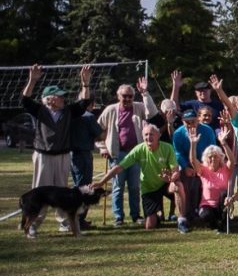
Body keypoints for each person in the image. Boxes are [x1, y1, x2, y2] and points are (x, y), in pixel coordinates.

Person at [20, 64, 92, 235]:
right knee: (40, 191)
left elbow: (84, 103)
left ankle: (65, 222)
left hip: (63, 156)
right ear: (49, 99)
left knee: (63, 192)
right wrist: (32, 80)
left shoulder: (67, 111)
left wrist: (85, 84)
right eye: (59, 97)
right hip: (43, 155)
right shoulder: (40, 111)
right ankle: (32, 226)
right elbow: (25, 100)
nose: (63, 99)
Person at [92, 124, 179, 230]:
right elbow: (119, 167)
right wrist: (101, 182)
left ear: (158, 135)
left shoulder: (167, 147)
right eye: (146, 135)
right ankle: (157, 214)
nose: (148, 137)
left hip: (165, 184)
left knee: (179, 186)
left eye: (151, 134)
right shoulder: (139, 149)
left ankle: (184, 218)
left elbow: (176, 171)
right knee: (150, 226)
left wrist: (171, 179)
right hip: (149, 188)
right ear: (143, 137)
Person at [97, 77, 158, 226]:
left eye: (130, 96)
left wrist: (145, 93)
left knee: (134, 186)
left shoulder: (138, 107)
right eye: (124, 96)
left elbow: (153, 113)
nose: (128, 99)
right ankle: (118, 217)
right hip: (117, 153)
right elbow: (98, 130)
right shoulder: (111, 110)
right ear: (119, 96)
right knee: (118, 187)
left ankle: (136, 215)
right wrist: (102, 147)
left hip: (136, 154)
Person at [188, 125, 235, 232]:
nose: (213, 159)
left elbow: (232, 160)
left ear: (220, 157)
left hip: (222, 204)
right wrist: (193, 144)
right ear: (206, 158)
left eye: (215, 156)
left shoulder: (225, 169)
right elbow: (192, 161)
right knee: (205, 215)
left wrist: (223, 143)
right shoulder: (203, 170)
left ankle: (223, 222)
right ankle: (215, 225)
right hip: (207, 205)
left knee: (224, 193)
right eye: (210, 157)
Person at [69, 99, 102, 229]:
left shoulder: (70, 114)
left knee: (77, 185)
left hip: (71, 154)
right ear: (91, 105)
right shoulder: (89, 116)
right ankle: (79, 219)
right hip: (83, 154)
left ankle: (76, 218)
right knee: (84, 188)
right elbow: (100, 134)